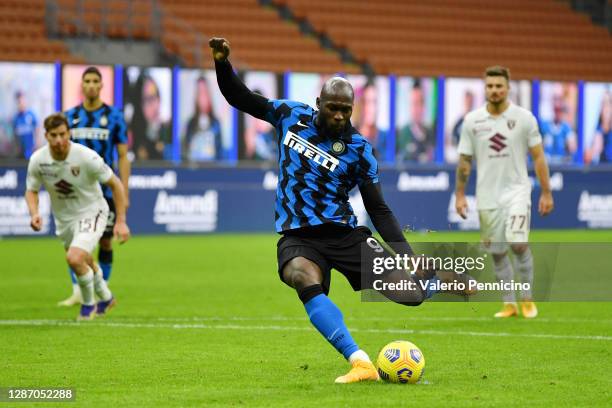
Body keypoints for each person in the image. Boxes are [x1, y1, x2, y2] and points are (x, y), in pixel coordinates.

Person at [210, 37, 474, 384]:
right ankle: (360, 362)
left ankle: (435, 278)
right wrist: (222, 63)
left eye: (345, 110)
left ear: (352, 110)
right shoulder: (291, 114)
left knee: (411, 296)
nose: (338, 116)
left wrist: (407, 255)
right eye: (332, 107)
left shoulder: (360, 150)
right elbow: (239, 97)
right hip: (299, 236)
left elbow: (378, 209)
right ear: (318, 102)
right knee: (301, 275)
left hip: (345, 235)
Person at [455, 66, 554, 319]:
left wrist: (546, 192)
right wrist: (460, 194)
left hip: (517, 191)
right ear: (485, 88)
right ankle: (509, 304)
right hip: (487, 196)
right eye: (490, 86)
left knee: (518, 243)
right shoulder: (472, 121)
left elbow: (538, 156)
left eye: (499, 86)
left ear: (508, 88)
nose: (494, 90)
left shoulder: (524, 118)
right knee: (497, 252)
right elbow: (465, 160)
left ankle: (527, 299)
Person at [25, 113, 130, 320]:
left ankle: (88, 306)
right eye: (53, 135)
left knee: (74, 257)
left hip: (93, 211)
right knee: (85, 260)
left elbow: (116, 184)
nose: (58, 140)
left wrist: (121, 221)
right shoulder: (38, 160)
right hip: (65, 220)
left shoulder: (86, 157)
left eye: (63, 134)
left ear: (69, 133)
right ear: (46, 136)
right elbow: (31, 190)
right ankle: (107, 298)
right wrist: (34, 213)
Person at [62, 66, 130, 307]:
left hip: (105, 190)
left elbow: (122, 156)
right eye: (87, 81)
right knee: (75, 242)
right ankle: (79, 291)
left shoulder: (114, 117)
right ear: (82, 85)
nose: (91, 85)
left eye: (95, 81)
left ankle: (103, 288)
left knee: (105, 241)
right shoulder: (69, 117)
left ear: (101, 86)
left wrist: (125, 190)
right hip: (75, 191)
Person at [130, 74, 172, 161]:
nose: (155, 105)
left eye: (156, 96)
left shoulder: (168, 130)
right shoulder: (130, 137)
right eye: (148, 99)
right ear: (139, 103)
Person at [183, 76, 224, 161]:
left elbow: (220, 153)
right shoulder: (190, 123)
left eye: (205, 92)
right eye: (200, 93)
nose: (203, 98)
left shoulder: (216, 123)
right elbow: (185, 151)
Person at [396, 79, 435, 163]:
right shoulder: (402, 134)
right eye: (414, 103)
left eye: (420, 103)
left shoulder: (431, 133)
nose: (417, 109)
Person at [540, 85, 577, 164]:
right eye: (555, 99)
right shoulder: (544, 126)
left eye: (560, 100)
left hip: (562, 170)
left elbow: (573, 150)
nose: (557, 104)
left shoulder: (566, 128)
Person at [586, 90, 612, 164]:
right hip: (600, 172)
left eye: (609, 103)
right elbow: (588, 158)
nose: (606, 108)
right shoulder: (598, 130)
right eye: (603, 104)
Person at [12, 91, 38, 159]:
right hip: (20, 151)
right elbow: (15, 134)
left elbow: (37, 130)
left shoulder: (31, 115)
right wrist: (16, 147)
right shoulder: (16, 117)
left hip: (31, 150)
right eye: (19, 102)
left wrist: (36, 144)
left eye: (22, 101)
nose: (20, 103)